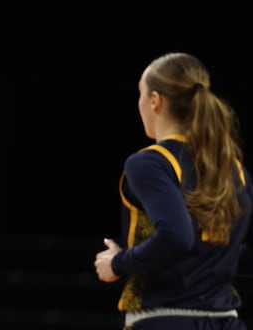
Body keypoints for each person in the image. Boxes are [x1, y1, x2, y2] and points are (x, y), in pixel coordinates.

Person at [94, 52, 253, 329]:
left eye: (141, 93)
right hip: (227, 322)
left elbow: (177, 237)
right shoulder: (233, 167)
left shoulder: (150, 162)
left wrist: (119, 262)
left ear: (155, 100)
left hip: (166, 320)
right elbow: (231, 252)